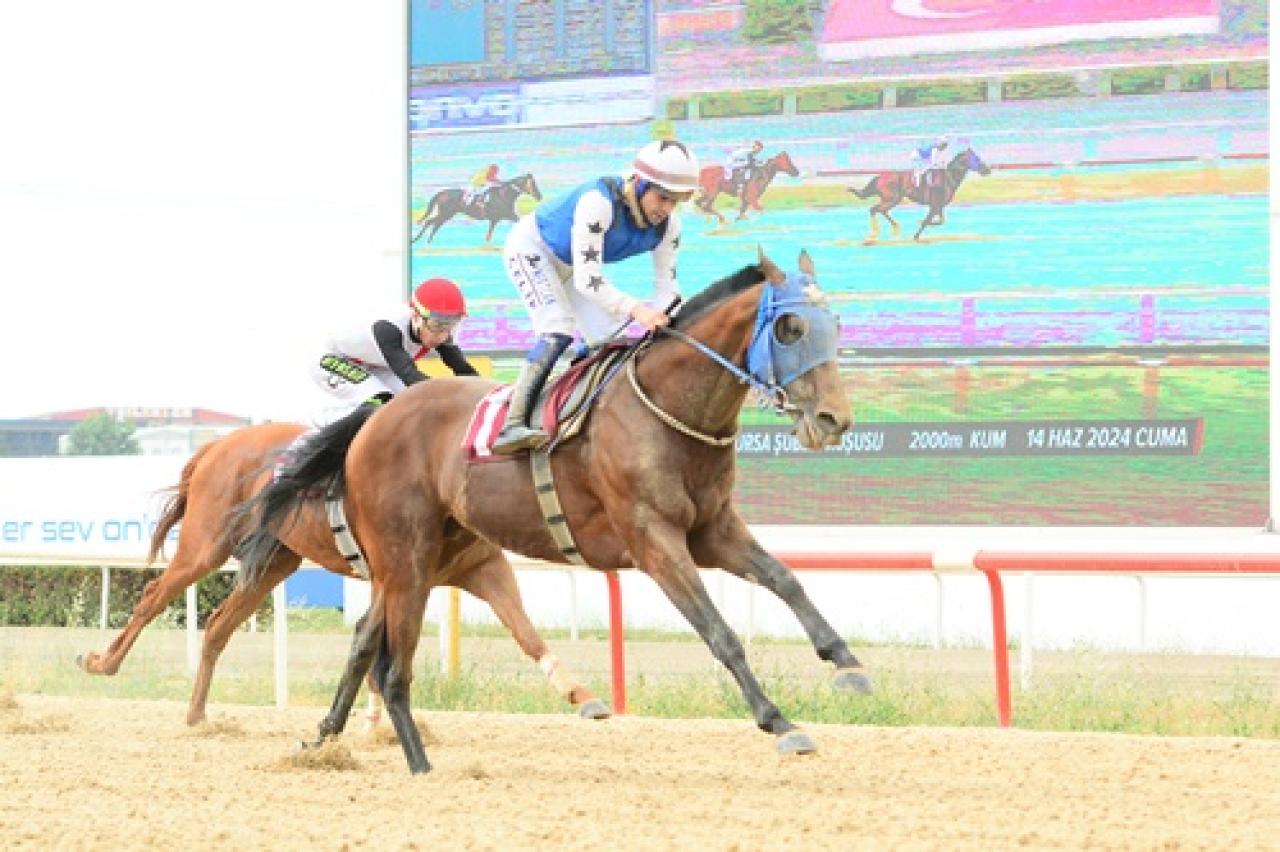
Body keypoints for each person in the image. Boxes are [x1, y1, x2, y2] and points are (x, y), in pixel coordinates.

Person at [491, 138, 699, 454]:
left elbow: (667, 291)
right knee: (557, 328)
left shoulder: (669, 226)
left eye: (676, 201)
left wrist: (685, 327)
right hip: (533, 250)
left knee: (604, 339)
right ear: (640, 184)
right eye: (663, 198)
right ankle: (512, 423)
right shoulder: (597, 203)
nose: (666, 209)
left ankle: (573, 416)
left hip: (571, 265)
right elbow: (590, 281)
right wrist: (638, 311)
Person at [310, 277, 478, 417]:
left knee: (412, 406)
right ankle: (316, 434)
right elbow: (410, 376)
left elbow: (463, 369)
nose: (442, 335)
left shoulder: (441, 330)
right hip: (333, 359)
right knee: (381, 402)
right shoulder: (388, 328)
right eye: (436, 325)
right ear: (416, 316)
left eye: (451, 325)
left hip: (379, 366)